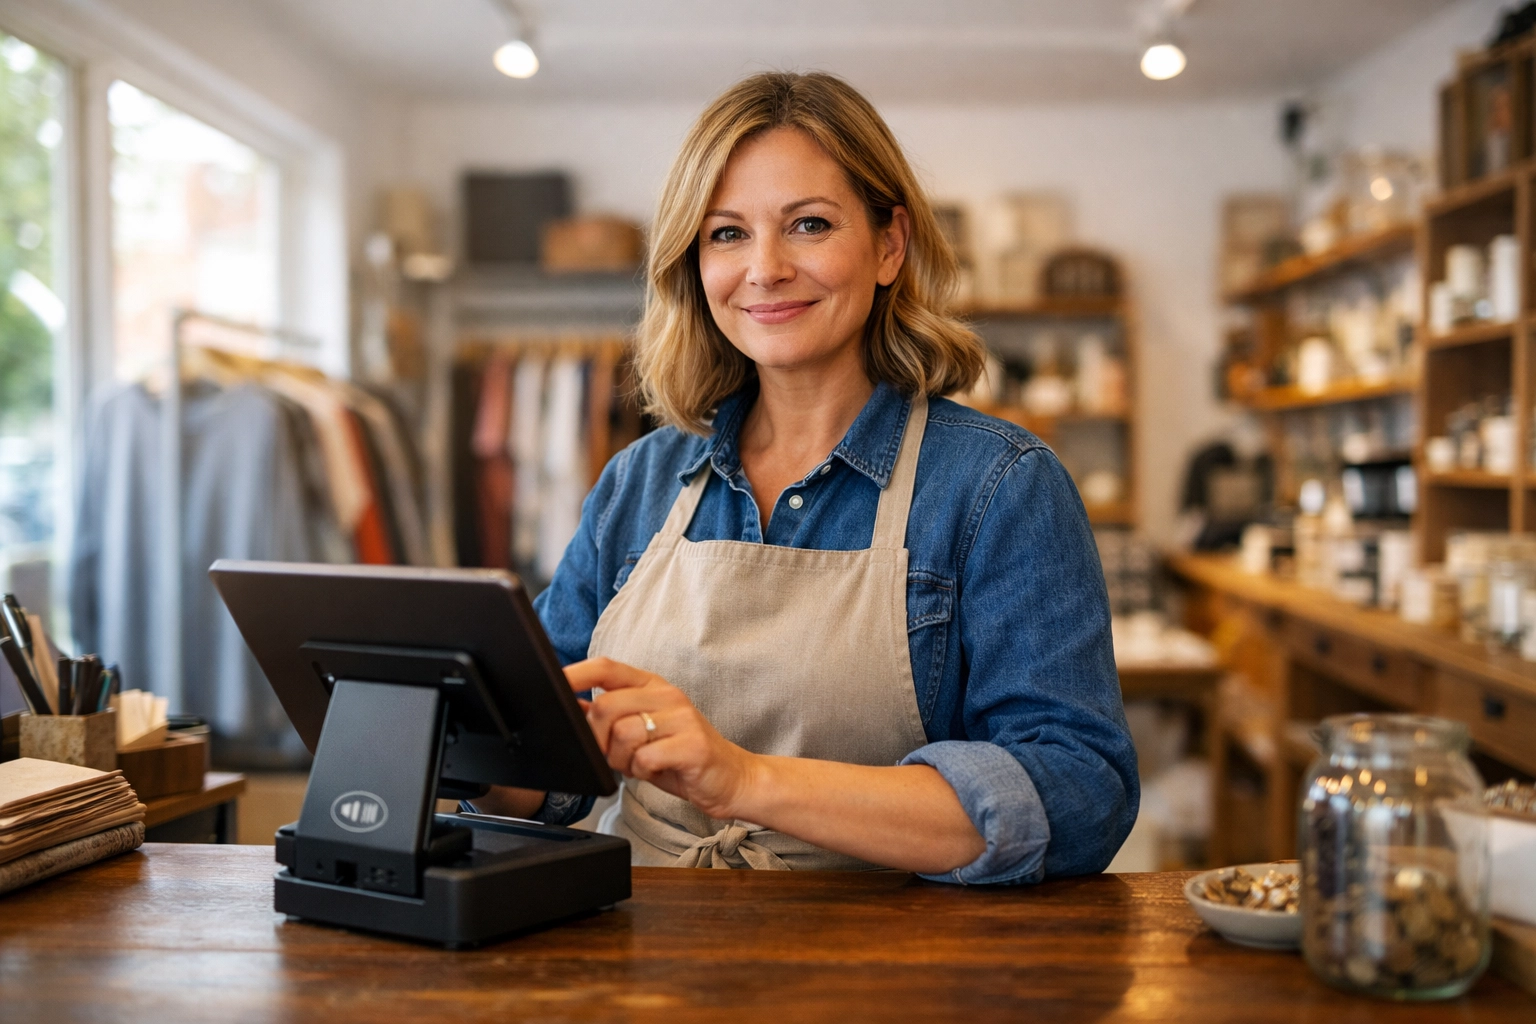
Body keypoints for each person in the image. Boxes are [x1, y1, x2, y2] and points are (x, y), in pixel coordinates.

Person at [475, 71, 1137, 883]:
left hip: (888, 969)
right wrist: (468, 750)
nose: (765, 268)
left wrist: (746, 780)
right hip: (641, 951)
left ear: (890, 245)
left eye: (809, 225)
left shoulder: (998, 486)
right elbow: (553, 765)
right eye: (726, 234)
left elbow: (1080, 794)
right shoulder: (637, 483)